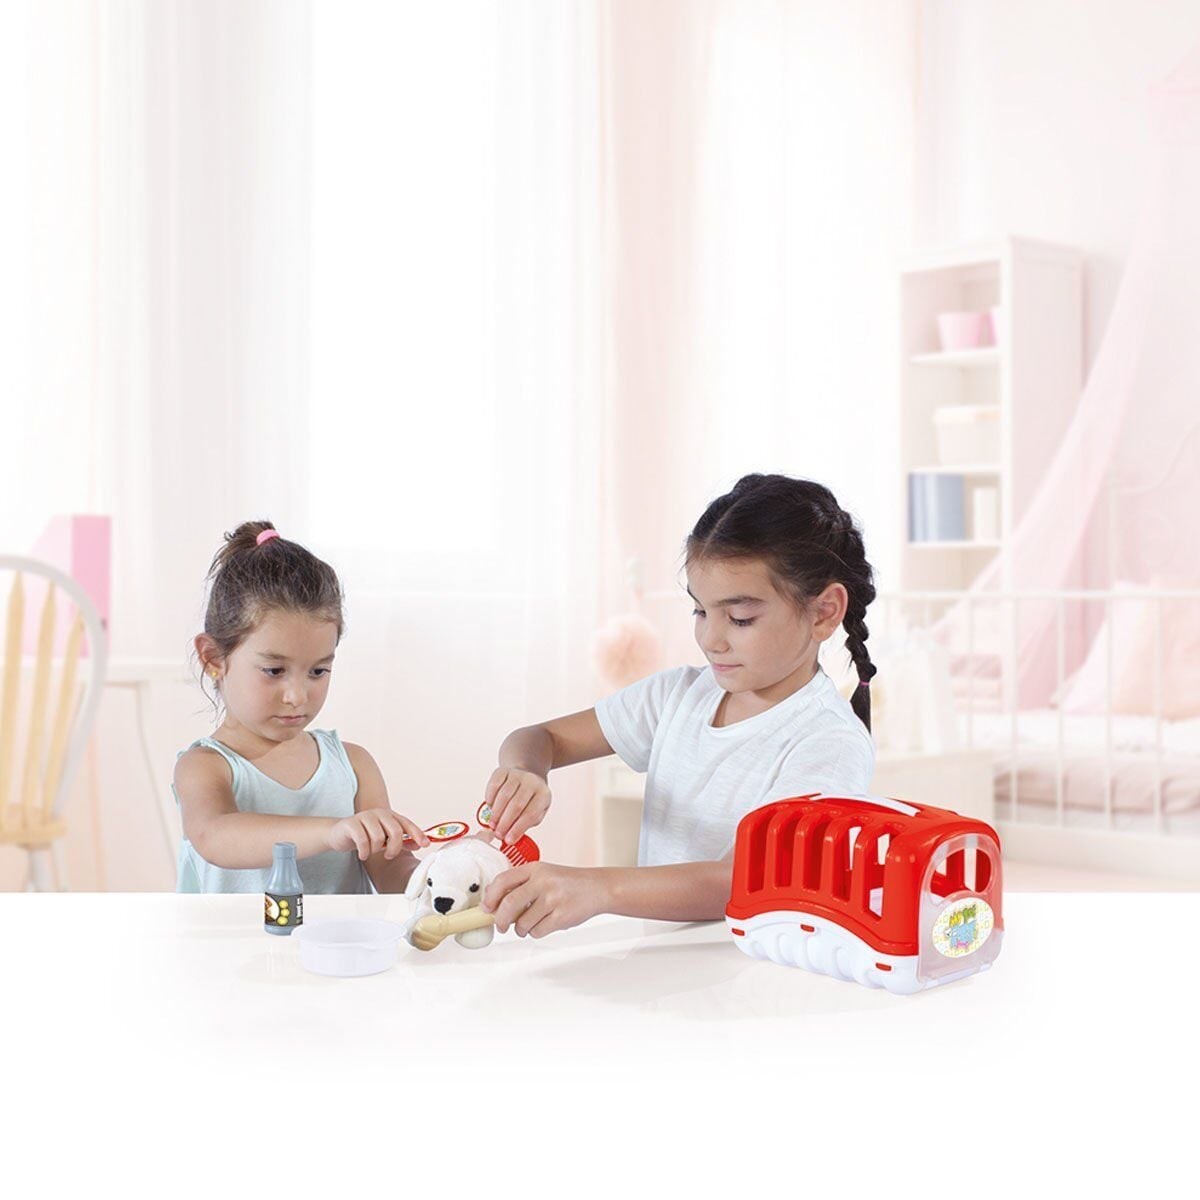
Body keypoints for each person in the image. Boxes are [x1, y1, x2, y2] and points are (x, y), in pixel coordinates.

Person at [481, 474, 877, 936]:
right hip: (659, 961)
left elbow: (747, 879)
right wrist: (526, 770)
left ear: (824, 612)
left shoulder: (829, 742)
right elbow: (541, 737)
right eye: (700, 611)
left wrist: (598, 888)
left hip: (747, 969)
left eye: (740, 618)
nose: (711, 639)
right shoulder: (679, 696)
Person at [173, 521, 429, 893]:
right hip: (234, 935)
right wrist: (332, 831)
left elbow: (391, 871)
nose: (297, 696)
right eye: (274, 671)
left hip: (339, 936)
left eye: (318, 671)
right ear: (213, 657)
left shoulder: (354, 766)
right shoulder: (205, 766)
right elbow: (215, 836)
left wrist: (440, 878)